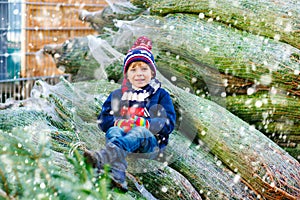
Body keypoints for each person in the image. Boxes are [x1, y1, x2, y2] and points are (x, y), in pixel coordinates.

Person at [84, 36, 176, 192]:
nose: (139, 73)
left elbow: (168, 123)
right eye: (133, 69)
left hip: (149, 144)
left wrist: (144, 123)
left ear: (152, 73)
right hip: (124, 137)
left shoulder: (160, 95)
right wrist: (117, 122)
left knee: (139, 131)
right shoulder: (118, 95)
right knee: (113, 131)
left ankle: (105, 156)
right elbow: (103, 119)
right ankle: (117, 173)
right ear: (126, 74)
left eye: (144, 68)